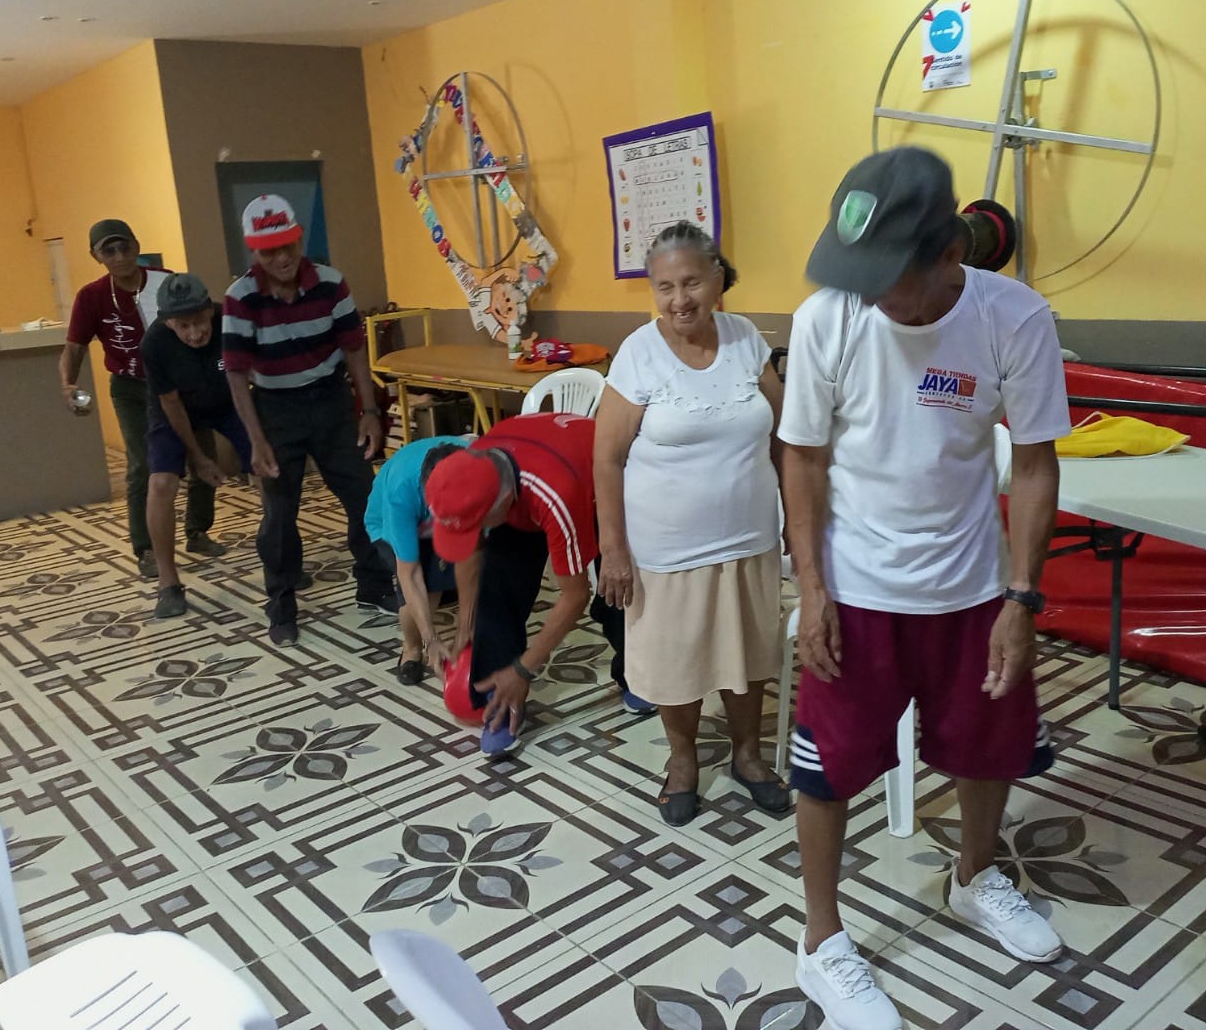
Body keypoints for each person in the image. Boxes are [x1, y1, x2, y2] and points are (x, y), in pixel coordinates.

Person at [778, 146, 1071, 1029]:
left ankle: (975, 878)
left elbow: (1036, 461)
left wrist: (1021, 598)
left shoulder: (1013, 318)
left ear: (949, 253)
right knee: (828, 768)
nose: (866, 294)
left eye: (885, 276)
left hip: (972, 586)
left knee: (990, 744)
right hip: (856, 590)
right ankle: (821, 939)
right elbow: (801, 457)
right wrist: (813, 589)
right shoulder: (829, 318)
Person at [594, 221, 788, 826]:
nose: (680, 299)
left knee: (747, 653)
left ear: (718, 279)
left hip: (749, 536)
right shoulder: (638, 353)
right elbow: (606, 457)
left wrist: (798, 520)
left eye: (692, 283)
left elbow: (783, 435)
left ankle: (748, 756)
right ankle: (682, 763)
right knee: (675, 660)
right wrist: (613, 548)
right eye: (665, 287)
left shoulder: (746, 338)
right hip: (667, 547)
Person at [221, 194, 395, 645]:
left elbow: (354, 350)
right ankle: (281, 602)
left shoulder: (331, 284)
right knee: (280, 513)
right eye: (268, 251)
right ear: (254, 252)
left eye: (287, 246)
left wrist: (369, 411)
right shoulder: (239, 298)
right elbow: (237, 375)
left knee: (365, 494)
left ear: (299, 240)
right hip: (275, 409)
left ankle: (374, 585)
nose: (281, 258)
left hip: (331, 401)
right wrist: (256, 440)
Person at [423, 411, 647, 757]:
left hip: (600, 483)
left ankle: (637, 675)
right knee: (496, 587)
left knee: (615, 585)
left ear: (500, 505)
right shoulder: (470, 470)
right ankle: (499, 705)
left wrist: (523, 669)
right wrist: (466, 623)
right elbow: (471, 550)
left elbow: (575, 596)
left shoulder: (555, 495)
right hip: (531, 477)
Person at [60, 218, 222, 578]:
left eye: (124, 247)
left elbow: (201, 323)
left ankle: (198, 531)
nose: (119, 256)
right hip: (131, 388)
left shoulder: (166, 282)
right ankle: (146, 548)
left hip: (182, 384)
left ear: (136, 246)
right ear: (96, 256)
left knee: (203, 455)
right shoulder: (91, 297)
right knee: (142, 464)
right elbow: (74, 347)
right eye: (109, 250)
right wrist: (67, 384)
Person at [140, 273, 255, 620]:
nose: (195, 333)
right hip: (174, 410)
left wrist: (258, 442)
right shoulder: (154, 344)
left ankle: (283, 557)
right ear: (168, 322)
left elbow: (248, 377)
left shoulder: (230, 322)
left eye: (200, 322)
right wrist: (198, 457)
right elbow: (171, 403)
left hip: (226, 401)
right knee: (161, 483)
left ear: (210, 310)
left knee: (266, 465)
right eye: (183, 326)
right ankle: (168, 583)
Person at [363, 435, 466, 685]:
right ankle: (412, 649)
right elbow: (409, 573)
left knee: (438, 581)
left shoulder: (479, 472)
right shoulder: (402, 492)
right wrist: (431, 639)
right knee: (422, 587)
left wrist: (468, 628)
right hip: (387, 523)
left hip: (440, 519)